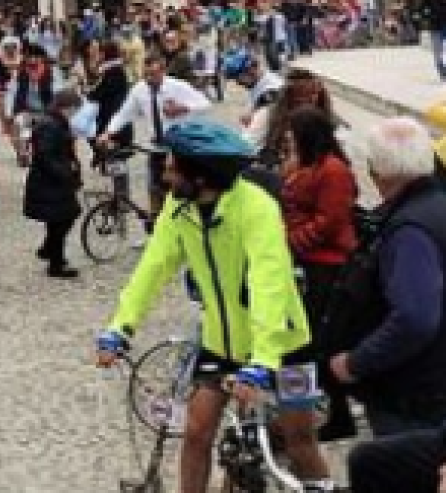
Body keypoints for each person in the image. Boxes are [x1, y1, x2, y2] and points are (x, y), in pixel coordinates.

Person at [94, 120, 332, 493]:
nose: (165, 175)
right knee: (196, 430)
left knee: (299, 440)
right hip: (223, 343)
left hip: (285, 345)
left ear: (201, 178)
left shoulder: (257, 208)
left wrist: (264, 360)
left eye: (173, 167)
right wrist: (120, 327)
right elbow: (153, 268)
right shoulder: (178, 207)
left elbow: (268, 282)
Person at [328, 117, 446, 437]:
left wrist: (356, 362)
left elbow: (415, 318)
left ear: (377, 172)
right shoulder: (437, 206)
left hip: (417, 398)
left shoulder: (409, 231)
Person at [275, 109, 361, 442]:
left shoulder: (333, 170)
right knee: (306, 343)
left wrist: (291, 241)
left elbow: (330, 221)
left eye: (293, 134)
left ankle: (322, 419)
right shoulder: (308, 165)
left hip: (329, 266)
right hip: (309, 264)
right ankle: (307, 417)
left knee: (313, 344)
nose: (288, 140)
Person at [101, 53, 213, 221]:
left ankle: (186, 223)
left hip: (178, 147)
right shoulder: (139, 90)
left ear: (163, 71)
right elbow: (124, 114)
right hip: (155, 147)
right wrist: (109, 132)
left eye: (152, 74)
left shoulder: (177, 87)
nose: (148, 79)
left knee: (179, 188)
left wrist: (183, 108)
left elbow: (205, 104)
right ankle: (155, 228)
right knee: (154, 188)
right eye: (145, 74)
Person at [23, 90, 85, 279]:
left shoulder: (55, 121)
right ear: (66, 107)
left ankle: (50, 250)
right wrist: (66, 173)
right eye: (75, 109)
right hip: (49, 182)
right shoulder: (50, 125)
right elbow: (45, 155)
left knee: (60, 218)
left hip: (53, 180)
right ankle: (55, 263)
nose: (75, 113)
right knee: (62, 218)